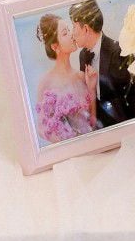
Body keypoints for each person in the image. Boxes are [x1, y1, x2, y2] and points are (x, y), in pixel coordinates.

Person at [69, 0, 135, 128]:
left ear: (86, 29)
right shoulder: (83, 56)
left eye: (74, 27)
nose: (72, 34)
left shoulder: (120, 53)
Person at [35, 14, 98, 144]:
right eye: (65, 33)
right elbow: (42, 128)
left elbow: (93, 121)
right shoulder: (46, 82)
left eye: (69, 30)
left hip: (92, 144)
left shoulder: (81, 76)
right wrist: (66, 140)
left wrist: (91, 88)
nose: (71, 35)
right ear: (55, 47)